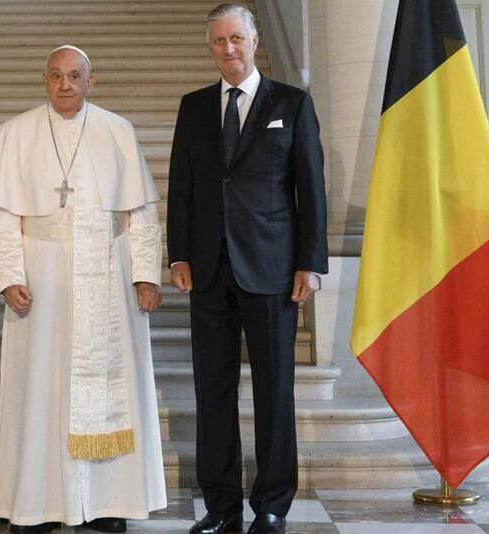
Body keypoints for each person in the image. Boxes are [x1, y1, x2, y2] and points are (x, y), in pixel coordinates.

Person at [0, 45, 167, 534]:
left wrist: (146, 273)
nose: (65, 85)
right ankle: (35, 505)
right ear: (44, 80)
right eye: (56, 76)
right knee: (38, 390)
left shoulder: (118, 131)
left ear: (90, 82)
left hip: (106, 272)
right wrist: (11, 275)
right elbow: (1, 219)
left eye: (75, 76)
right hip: (42, 278)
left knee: (108, 388)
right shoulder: (14, 134)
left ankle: (106, 502)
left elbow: (141, 214)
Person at [167, 4, 327, 534]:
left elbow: (311, 189)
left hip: (274, 270)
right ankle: (221, 507)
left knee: (274, 392)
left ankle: (274, 505)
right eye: (217, 42)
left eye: (236, 38)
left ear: (255, 39)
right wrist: (179, 253)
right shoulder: (192, 108)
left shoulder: (292, 103)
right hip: (209, 271)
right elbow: (182, 186)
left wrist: (310, 261)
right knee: (213, 391)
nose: (227, 49)